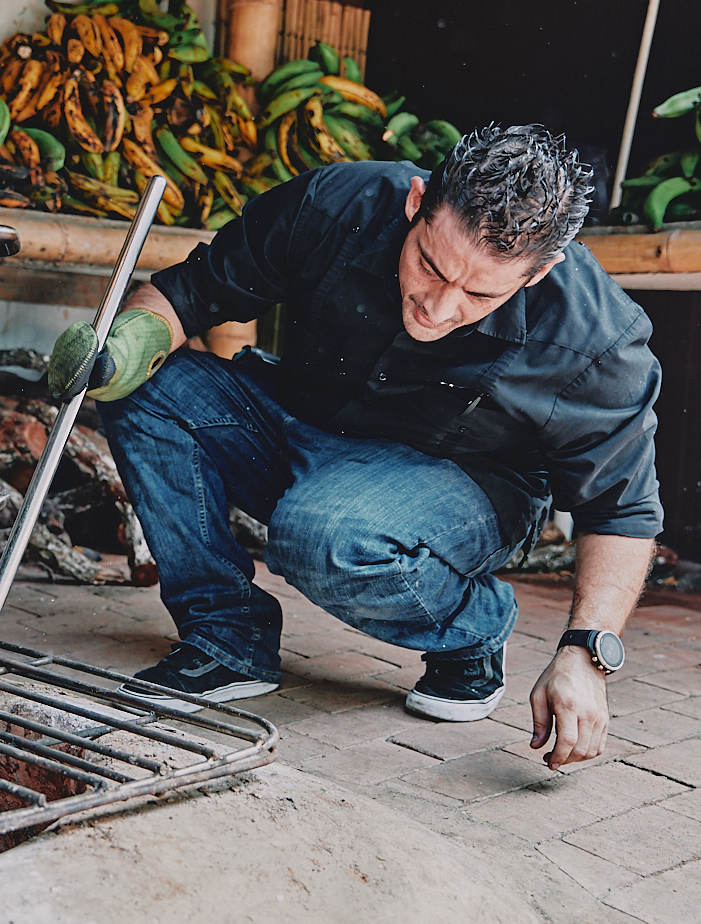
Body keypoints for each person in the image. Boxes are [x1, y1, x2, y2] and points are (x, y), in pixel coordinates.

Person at [48, 125, 660, 770]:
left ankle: (473, 631)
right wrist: (124, 343)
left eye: (480, 294)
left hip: (466, 484)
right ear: (415, 202)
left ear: (542, 271)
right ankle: (225, 636)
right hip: (301, 422)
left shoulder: (599, 340)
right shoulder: (339, 202)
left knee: (325, 533)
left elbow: (620, 511)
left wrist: (585, 653)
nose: (439, 305)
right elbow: (189, 293)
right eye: (429, 264)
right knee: (149, 386)